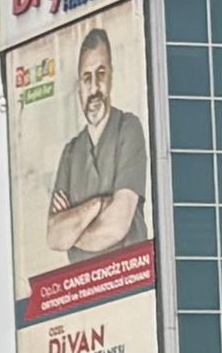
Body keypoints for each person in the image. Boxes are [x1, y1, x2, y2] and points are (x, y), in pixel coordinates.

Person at [45, 17, 152, 262]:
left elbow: (117, 224)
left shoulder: (128, 128)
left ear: (111, 75)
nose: (94, 88)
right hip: (80, 291)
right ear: (79, 86)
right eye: (87, 78)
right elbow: (55, 237)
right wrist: (98, 205)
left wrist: (74, 226)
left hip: (130, 282)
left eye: (100, 74)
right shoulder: (71, 153)